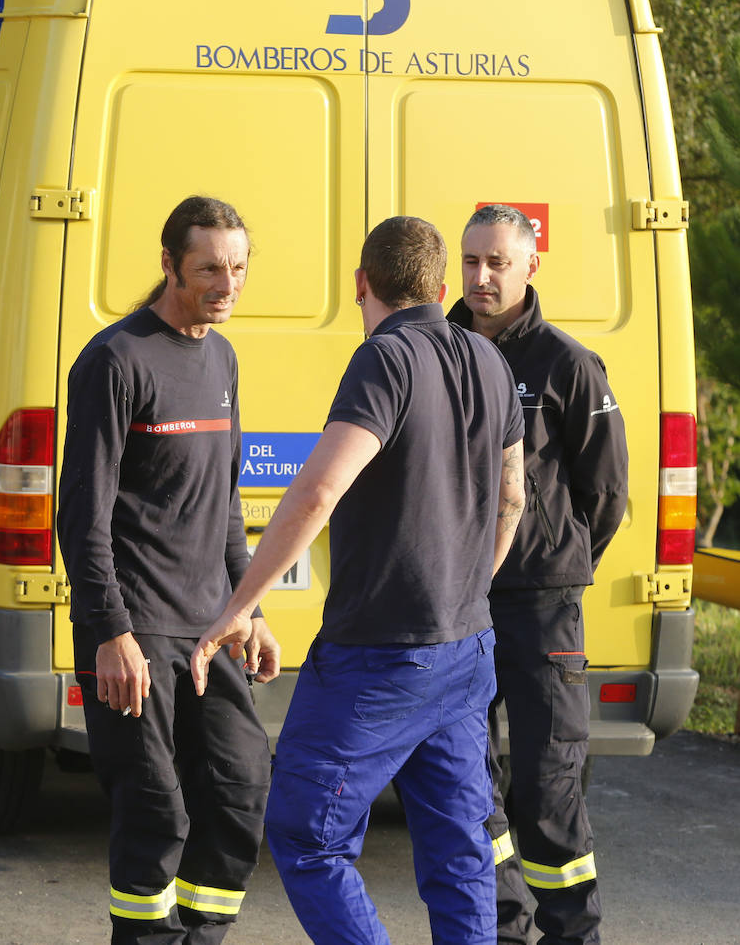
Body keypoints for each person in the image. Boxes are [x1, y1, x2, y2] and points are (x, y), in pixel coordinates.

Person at [193, 216, 526, 945]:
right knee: (460, 845)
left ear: (361, 285)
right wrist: (466, 587)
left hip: (379, 656)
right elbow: (512, 498)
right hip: (466, 647)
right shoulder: (490, 360)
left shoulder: (386, 360)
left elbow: (318, 491)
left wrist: (238, 606)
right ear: (442, 288)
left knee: (306, 832)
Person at [56, 195, 277, 944]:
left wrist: (249, 606)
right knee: (156, 811)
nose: (228, 283)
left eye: (239, 267)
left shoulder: (221, 356)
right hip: (138, 630)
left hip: (211, 627)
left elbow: (224, 500)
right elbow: (80, 516)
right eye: (210, 268)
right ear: (168, 264)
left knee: (241, 791)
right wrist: (109, 632)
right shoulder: (116, 361)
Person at [448, 203, 627, 945]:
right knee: (469, 784)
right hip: (456, 603)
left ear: (530, 266)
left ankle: (570, 934)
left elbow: (605, 495)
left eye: (498, 262)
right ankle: (502, 926)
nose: (482, 277)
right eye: (471, 262)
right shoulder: (437, 351)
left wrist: (553, 558)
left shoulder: (568, 365)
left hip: (541, 606)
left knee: (549, 787)